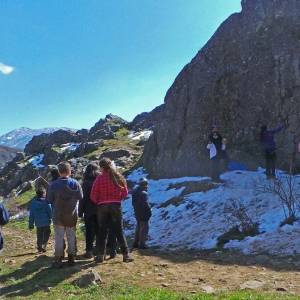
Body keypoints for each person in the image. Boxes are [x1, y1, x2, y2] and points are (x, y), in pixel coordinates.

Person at [90, 157, 133, 263]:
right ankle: (126, 255)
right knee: (119, 231)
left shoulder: (99, 178)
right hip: (115, 206)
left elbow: (93, 195)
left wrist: (99, 202)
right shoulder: (117, 176)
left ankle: (100, 255)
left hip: (102, 207)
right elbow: (125, 192)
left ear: (101, 167)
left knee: (102, 232)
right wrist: (117, 199)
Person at [47, 162, 83, 268]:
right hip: (71, 215)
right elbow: (80, 197)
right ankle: (71, 258)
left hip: (58, 215)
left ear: (59, 172)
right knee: (71, 236)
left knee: (59, 237)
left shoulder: (53, 185)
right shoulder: (75, 183)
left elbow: (49, 200)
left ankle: (58, 259)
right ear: (69, 171)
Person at [78, 163, 100, 258]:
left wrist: (80, 211)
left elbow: (83, 199)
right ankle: (99, 250)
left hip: (89, 210)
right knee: (100, 231)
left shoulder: (86, 183)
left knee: (89, 231)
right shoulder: (99, 180)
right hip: (100, 209)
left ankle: (89, 251)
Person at [28, 188, 52, 253]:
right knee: (47, 233)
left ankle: (39, 247)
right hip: (46, 222)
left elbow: (31, 215)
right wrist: (52, 218)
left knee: (39, 235)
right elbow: (50, 212)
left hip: (38, 223)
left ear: (37, 194)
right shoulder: (46, 202)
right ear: (43, 194)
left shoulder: (33, 203)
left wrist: (31, 225)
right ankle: (43, 246)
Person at [132, 178, 152, 250]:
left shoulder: (135, 192)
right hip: (144, 213)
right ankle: (142, 244)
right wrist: (149, 211)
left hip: (137, 212)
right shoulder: (144, 193)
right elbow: (146, 204)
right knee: (145, 228)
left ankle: (135, 243)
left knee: (138, 227)